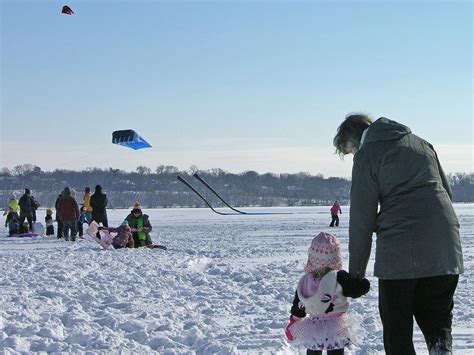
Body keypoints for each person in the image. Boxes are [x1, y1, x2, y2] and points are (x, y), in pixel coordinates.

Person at [333, 114, 464, 354]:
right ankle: (441, 347)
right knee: (437, 323)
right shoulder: (421, 144)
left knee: (397, 332)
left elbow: (362, 219)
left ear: (353, 140)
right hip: (445, 247)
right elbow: (446, 193)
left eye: (349, 149)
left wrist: (356, 276)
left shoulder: (367, 155)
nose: (352, 154)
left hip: (401, 255)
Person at [285, 232, 370, 354]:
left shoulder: (305, 280)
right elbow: (356, 290)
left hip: (313, 327)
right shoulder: (340, 277)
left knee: (313, 350)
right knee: (335, 351)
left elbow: (299, 304)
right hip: (336, 327)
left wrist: (294, 322)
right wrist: (363, 284)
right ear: (336, 257)